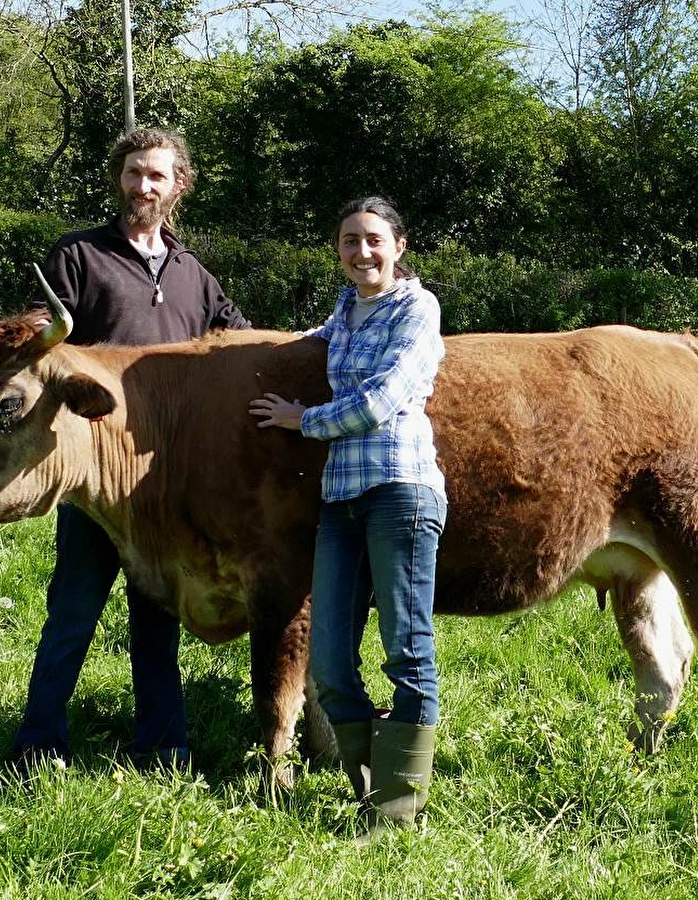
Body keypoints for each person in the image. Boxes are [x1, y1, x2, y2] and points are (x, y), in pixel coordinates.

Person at [12, 127, 251, 772]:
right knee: (73, 610)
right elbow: (37, 341)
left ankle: (164, 747)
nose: (144, 186)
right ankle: (37, 744)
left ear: (179, 186)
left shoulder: (193, 274)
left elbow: (240, 340)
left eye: (157, 175)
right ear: (119, 178)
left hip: (161, 479)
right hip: (92, 476)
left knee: (158, 616)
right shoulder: (80, 256)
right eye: (134, 173)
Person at [249, 196, 447, 834]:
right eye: (349, 241)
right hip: (340, 499)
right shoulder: (345, 309)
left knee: (406, 650)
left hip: (400, 491)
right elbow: (306, 344)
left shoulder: (417, 308)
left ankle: (396, 811)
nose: (361, 252)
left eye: (373, 240)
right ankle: (368, 791)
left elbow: (382, 400)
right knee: (331, 661)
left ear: (399, 246)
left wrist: (300, 419)